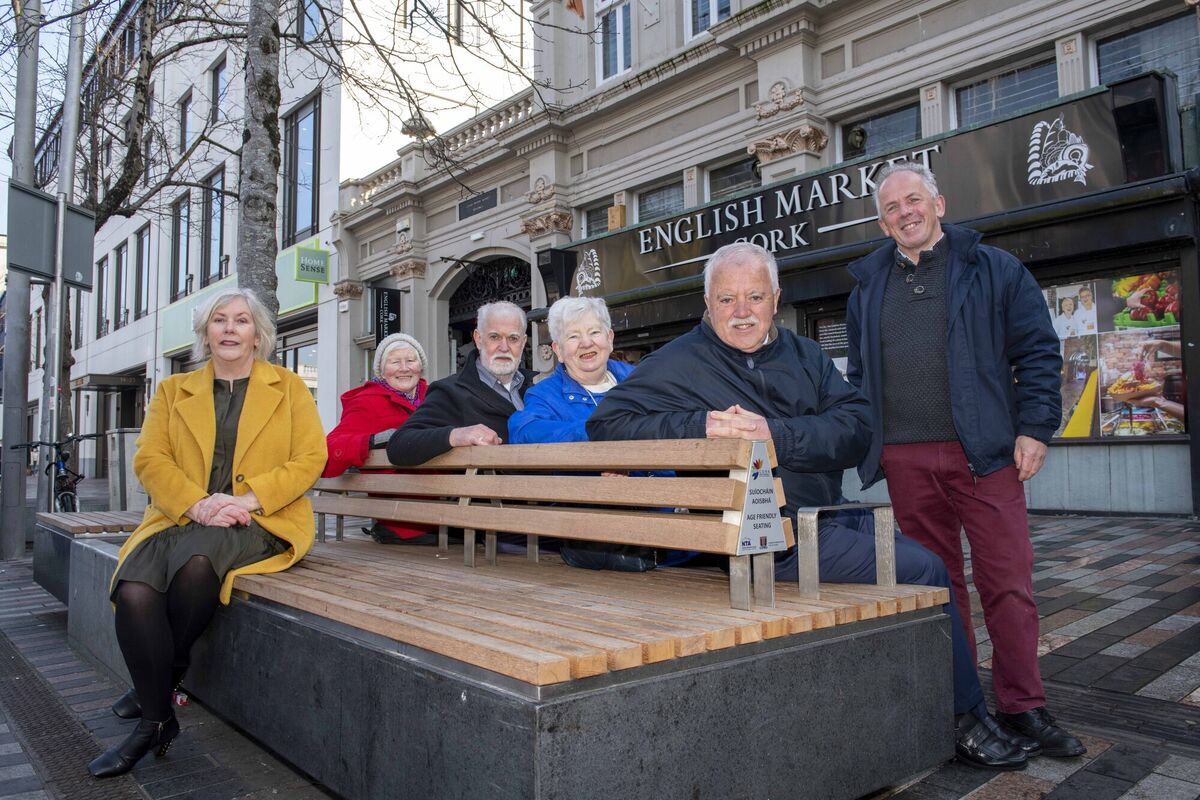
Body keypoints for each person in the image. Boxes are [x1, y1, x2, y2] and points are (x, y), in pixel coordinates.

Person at [588, 241, 1033, 770]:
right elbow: (607, 425)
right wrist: (700, 426)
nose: (741, 311)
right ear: (706, 304)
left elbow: (857, 428)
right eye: (727, 299)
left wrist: (777, 435)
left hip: (820, 517)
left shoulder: (805, 355)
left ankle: (934, 705)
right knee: (925, 566)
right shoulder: (676, 362)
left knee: (913, 555)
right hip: (755, 538)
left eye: (754, 296)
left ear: (776, 299)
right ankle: (962, 716)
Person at [845, 161, 1085, 760]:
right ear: (882, 222)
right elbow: (859, 375)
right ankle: (967, 708)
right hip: (905, 457)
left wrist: (1034, 428)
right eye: (893, 207)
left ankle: (1023, 706)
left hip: (985, 454)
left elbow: (1037, 353)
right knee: (938, 585)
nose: (906, 212)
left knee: (1008, 580)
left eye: (914, 200)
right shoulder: (866, 286)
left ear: (940, 203)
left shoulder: (993, 269)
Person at [90, 288, 326, 778]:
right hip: (183, 517)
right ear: (205, 333)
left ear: (258, 334)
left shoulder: (289, 387)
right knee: (135, 590)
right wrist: (198, 503)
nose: (230, 329)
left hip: (259, 518)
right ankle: (160, 715)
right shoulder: (174, 391)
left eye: (241, 321)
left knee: (199, 566)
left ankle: (152, 706)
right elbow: (150, 459)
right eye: (219, 320)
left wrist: (245, 500)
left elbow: (310, 457)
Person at [509, 296, 678, 571]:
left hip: (668, 515)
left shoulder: (643, 381)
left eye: (594, 332)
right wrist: (599, 440)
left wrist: (633, 471)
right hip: (601, 528)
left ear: (610, 339)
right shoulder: (544, 394)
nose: (587, 343)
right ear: (559, 350)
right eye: (573, 336)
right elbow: (524, 432)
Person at [387, 301, 535, 465]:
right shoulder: (451, 392)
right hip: (495, 488)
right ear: (478, 339)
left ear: (523, 342)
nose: (504, 347)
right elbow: (398, 445)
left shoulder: (537, 388)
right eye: (494, 337)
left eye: (513, 338)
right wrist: (456, 435)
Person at [323, 333, 435, 543]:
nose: (404, 368)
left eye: (411, 360)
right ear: (382, 372)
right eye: (395, 362)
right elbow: (330, 450)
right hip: (399, 520)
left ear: (420, 367)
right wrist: (372, 441)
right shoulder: (367, 402)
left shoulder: (435, 396)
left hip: (443, 510)